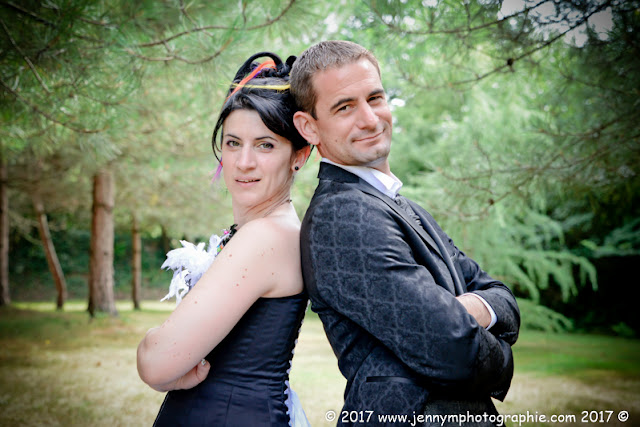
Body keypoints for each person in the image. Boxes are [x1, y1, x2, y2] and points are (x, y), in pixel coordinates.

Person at [290, 40, 520, 426]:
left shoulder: (405, 208)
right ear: (309, 126)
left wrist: (469, 310)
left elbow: (502, 296)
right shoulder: (341, 215)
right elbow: (452, 346)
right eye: (345, 107)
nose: (369, 119)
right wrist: (485, 339)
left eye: (375, 98)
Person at [137, 51, 312, 427]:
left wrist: (157, 343)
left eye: (265, 145)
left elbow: (154, 362)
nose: (243, 162)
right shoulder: (266, 231)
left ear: (299, 155)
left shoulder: (266, 237)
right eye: (233, 143)